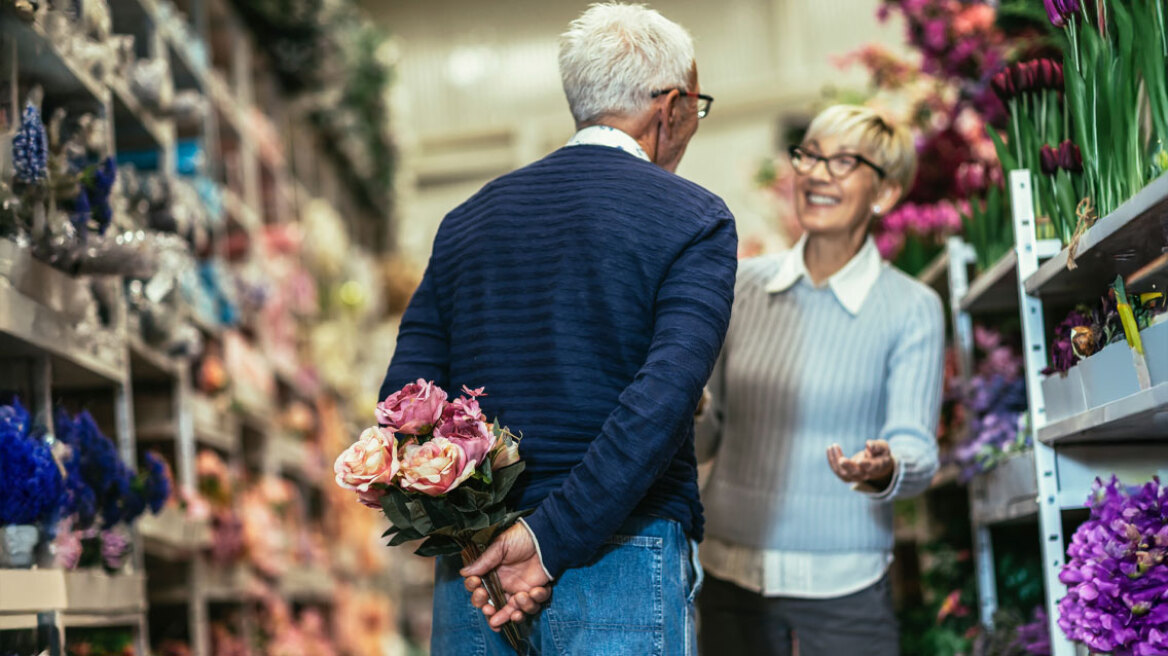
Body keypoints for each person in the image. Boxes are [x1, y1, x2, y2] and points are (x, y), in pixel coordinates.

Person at [378, 4, 737, 654]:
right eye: (697, 107)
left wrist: (479, 535)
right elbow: (662, 401)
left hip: (477, 568)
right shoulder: (694, 218)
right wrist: (548, 544)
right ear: (672, 107)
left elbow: (406, 402)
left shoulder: (466, 221)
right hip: (622, 553)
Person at [694, 104, 944, 656]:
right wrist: (690, 406)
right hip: (732, 573)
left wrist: (886, 466)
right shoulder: (739, 288)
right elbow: (708, 435)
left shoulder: (911, 308)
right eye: (809, 155)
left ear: (885, 194)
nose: (816, 174)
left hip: (847, 585)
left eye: (843, 162)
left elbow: (917, 445)